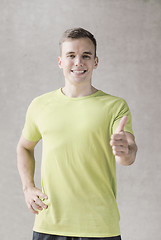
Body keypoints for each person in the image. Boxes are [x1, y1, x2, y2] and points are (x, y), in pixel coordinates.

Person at [17, 27, 137, 240]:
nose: (78, 62)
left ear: (95, 62)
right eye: (71, 55)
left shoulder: (115, 106)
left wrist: (124, 150)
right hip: (49, 224)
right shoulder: (40, 105)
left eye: (86, 56)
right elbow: (24, 147)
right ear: (60, 61)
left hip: (100, 227)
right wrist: (28, 187)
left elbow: (127, 155)